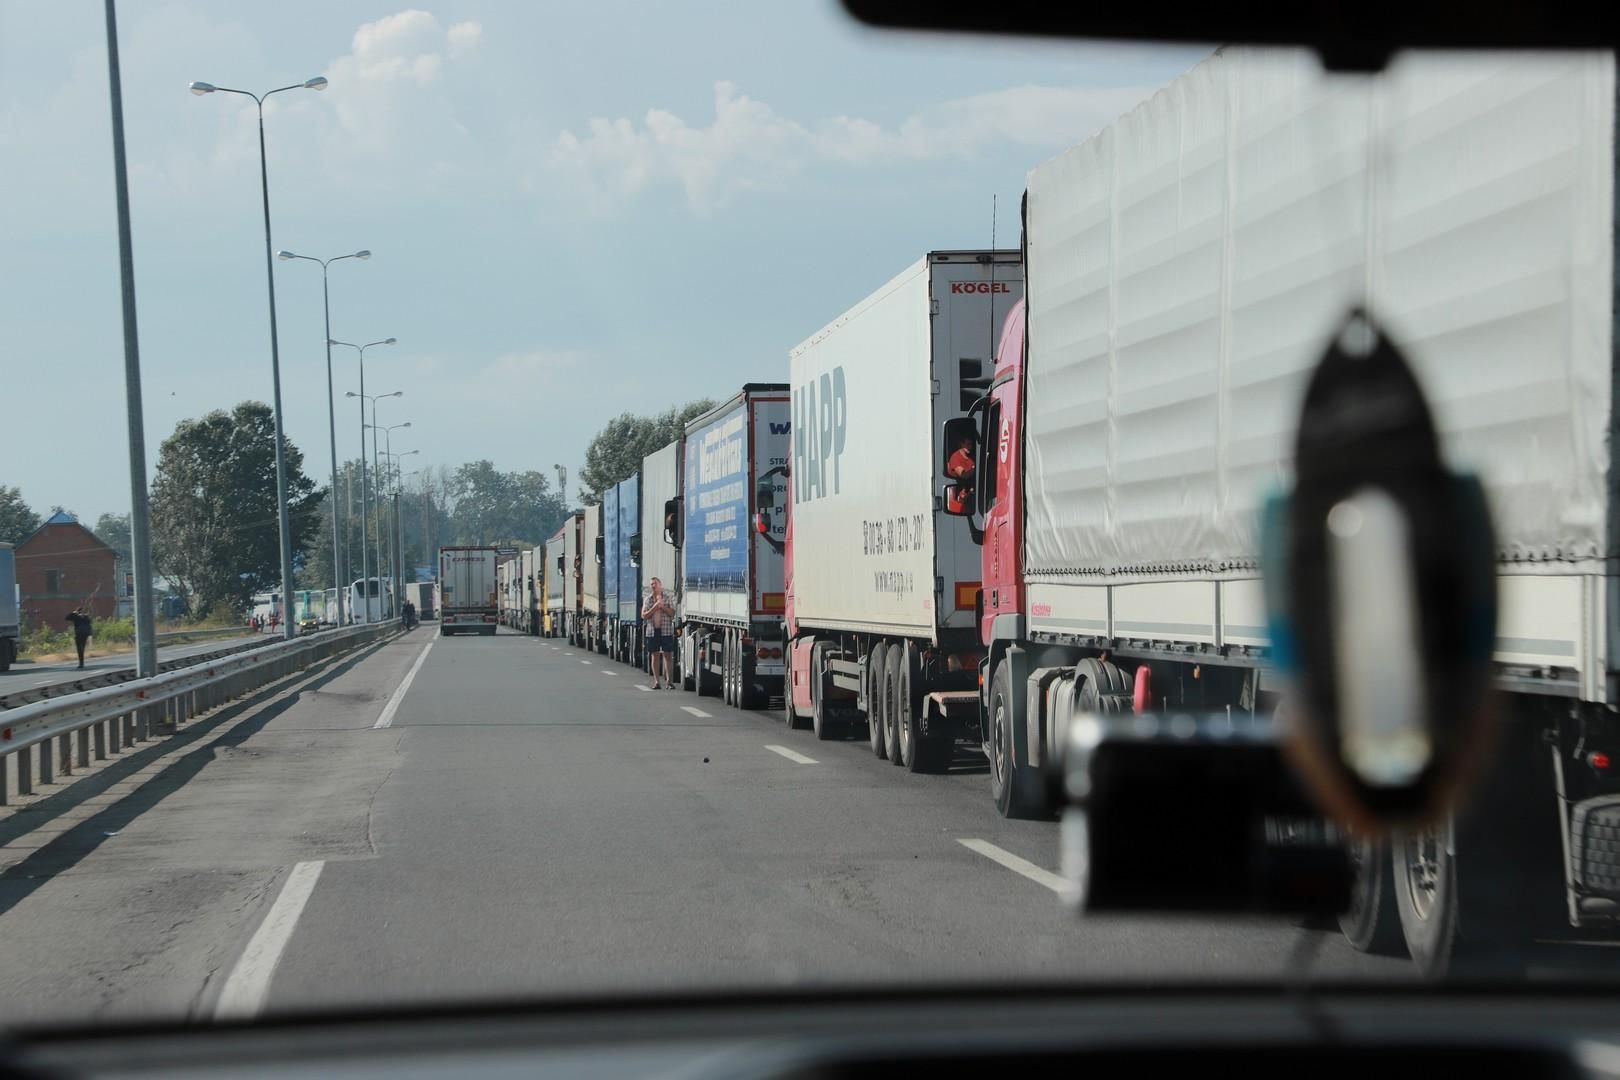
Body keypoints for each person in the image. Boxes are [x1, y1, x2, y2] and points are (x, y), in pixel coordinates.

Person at [641, 576, 676, 689]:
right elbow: (644, 615)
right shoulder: (648, 599)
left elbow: (672, 613)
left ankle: (669, 682)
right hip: (652, 631)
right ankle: (657, 681)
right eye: (651, 584)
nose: (653, 586)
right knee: (654, 656)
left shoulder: (667, 597)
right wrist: (655, 608)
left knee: (668, 655)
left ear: (660, 585)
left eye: (655, 583)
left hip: (665, 630)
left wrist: (663, 607)